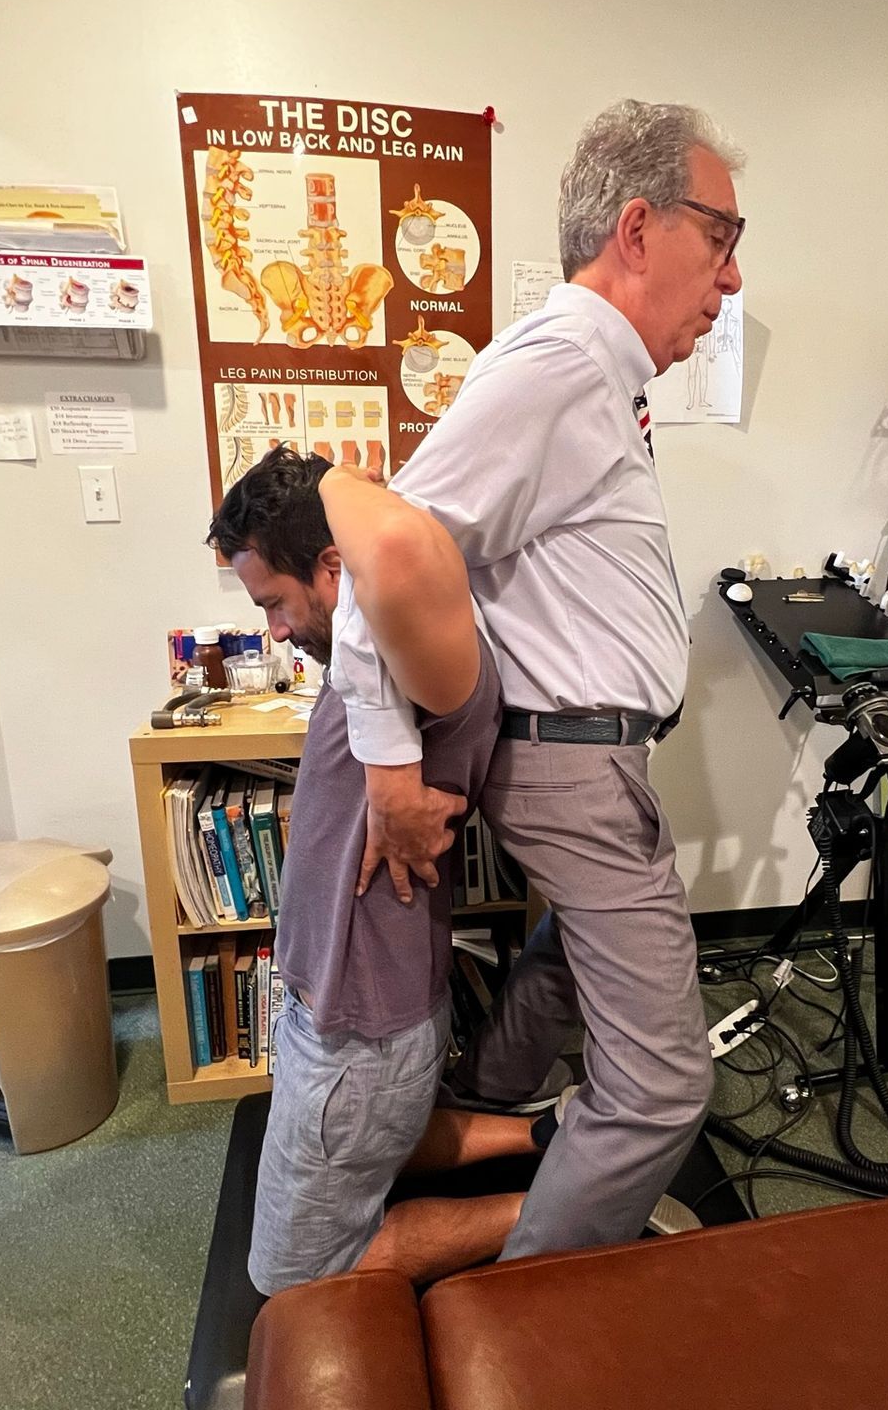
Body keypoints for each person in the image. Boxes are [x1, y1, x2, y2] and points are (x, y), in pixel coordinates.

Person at [331, 99, 746, 1257]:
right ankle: (524, 1309)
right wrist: (388, 766)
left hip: (592, 759)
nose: (731, 278)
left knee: (571, 957)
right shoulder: (564, 361)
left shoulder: (598, 376)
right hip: (571, 764)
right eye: (721, 236)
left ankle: (469, 1118)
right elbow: (385, 561)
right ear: (637, 227)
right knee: (665, 1088)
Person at [206, 448, 551, 1296]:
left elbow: (392, 547)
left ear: (336, 568)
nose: (276, 629)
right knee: (389, 1137)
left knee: (294, 1277)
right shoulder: (370, 672)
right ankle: (547, 1136)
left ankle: (563, 1206)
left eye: (276, 603)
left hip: (357, 1039)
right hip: (347, 1017)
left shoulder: (427, 663)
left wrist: (337, 485)